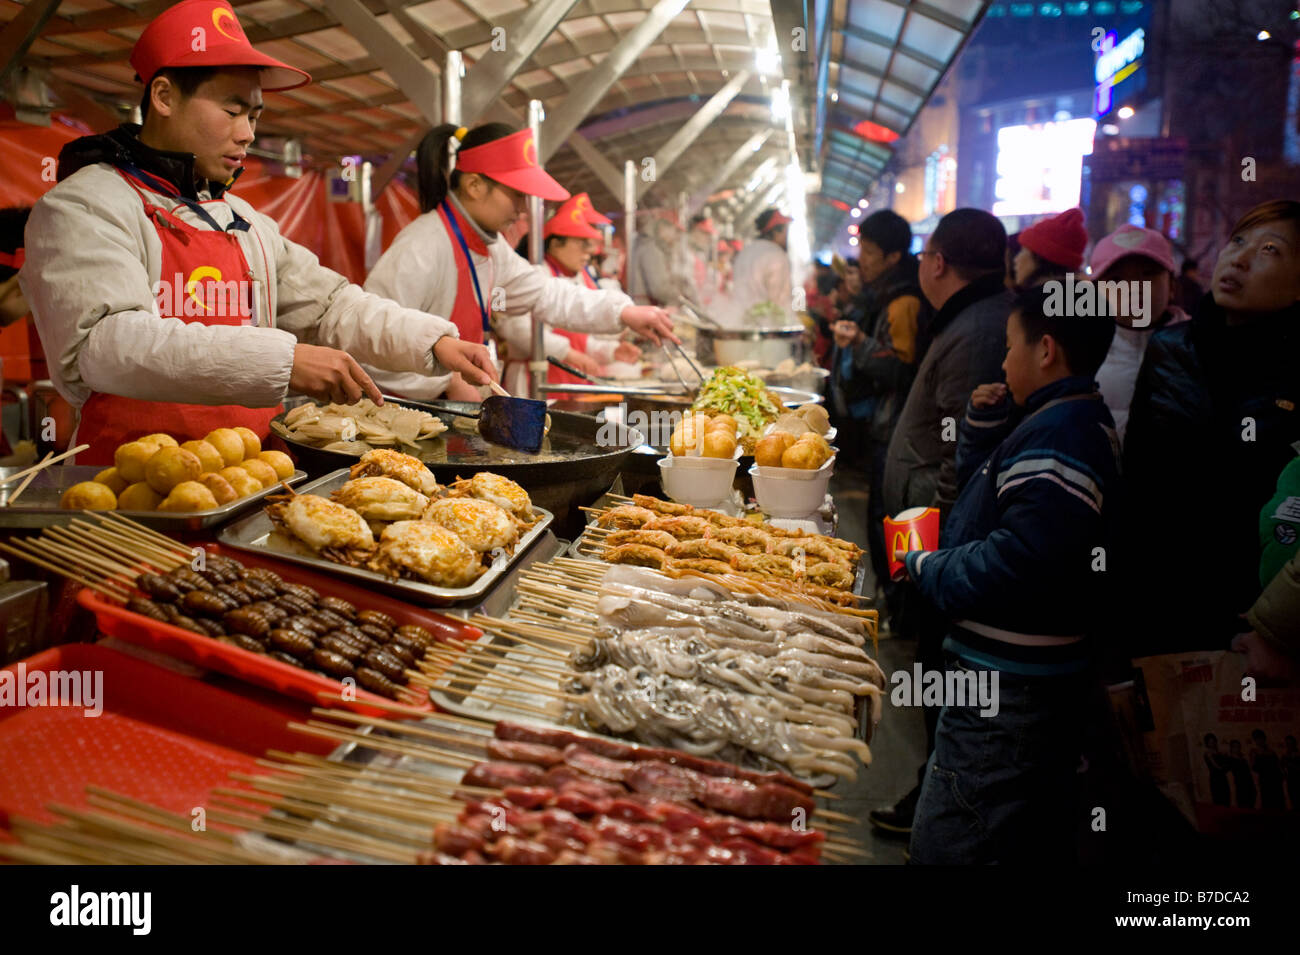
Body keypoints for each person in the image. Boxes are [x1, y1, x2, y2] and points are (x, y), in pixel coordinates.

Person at [20, 0, 498, 464]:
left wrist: (433, 342)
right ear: (163, 97)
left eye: (254, 115)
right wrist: (285, 362)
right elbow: (104, 345)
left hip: (255, 478)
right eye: (232, 111)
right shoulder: (85, 205)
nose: (248, 133)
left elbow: (331, 305)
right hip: (130, 487)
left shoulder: (243, 220)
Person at [899, 284, 1120, 863]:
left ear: (1046, 350)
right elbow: (995, 501)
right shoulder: (1060, 419)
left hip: (1006, 689)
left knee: (952, 839)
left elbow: (1020, 561)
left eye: (1009, 346)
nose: (1001, 361)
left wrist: (927, 566)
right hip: (1013, 676)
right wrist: (982, 427)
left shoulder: (1060, 436)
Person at [870, 208, 1014, 837]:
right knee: (930, 654)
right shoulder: (968, 316)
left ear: (936, 262)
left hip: (936, 523)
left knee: (936, 661)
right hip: (925, 515)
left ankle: (938, 804)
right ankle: (932, 794)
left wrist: (936, 550)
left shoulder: (977, 327)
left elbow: (961, 448)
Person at [363, 125, 675, 401]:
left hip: (452, 410)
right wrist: (443, 385)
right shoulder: (422, 246)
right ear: (474, 186)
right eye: (516, 195)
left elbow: (546, 294)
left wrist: (623, 311)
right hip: (405, 415)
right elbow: (370, 341)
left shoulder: (492, 247)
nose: (523, 209)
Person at [1122, 200, 1300, 656]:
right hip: (1159, 600)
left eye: (1270, 250)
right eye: (1238, 241)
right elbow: (1137, 477)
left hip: (1261, 619)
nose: (1238, 258)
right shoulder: (1170, 349)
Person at [828, 210, 924, 615]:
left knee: (891, 519)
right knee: (882, 517)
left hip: (899, 430)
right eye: (860, 249)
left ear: (892, 257)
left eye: (869, 251)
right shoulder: (882, 295)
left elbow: (902, 368)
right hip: (885, 427)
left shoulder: (902, 301)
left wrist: (861, 343)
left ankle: (900, 610)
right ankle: (894, 602)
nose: (860, 259)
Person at [497, 195, 640, 392]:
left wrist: (609, 351)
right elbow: (517, 329)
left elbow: (579, 337)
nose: (589, 252)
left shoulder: (575, 274)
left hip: (568, 377)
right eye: (582, 244)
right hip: (533, 379)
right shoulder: (537, 273)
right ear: (555, 244)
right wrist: (568, 353)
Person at [1088, 224, 1189, 444]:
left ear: (1171, 285)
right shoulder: (1080, 349)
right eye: (1115, 280)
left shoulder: (1199, 346)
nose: (1133, 287)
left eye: (1148, 274)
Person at [727, 208, 793, 327]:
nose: (787, 237)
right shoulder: (777, 255)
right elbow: (779, 300)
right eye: (786, 232)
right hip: (767, 329)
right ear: (775, 232)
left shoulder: (746, 252)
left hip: (739, 323)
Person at [1008, 208, 1087, 291]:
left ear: (1041, 259)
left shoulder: (1031, 302)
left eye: (1023, 251)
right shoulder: (1090, 298)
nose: (1016, 259)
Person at [628, 213, 682, 308]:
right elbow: (659, 289)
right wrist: (678, 296)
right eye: (675, 231)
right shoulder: (651, 248)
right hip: (644, 308)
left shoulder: (646, 244)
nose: (677, 237)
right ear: (662, 228)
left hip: (642, 306)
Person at [1251, 729, 1285, 810]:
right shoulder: (1254, 752)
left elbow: (1278, 765)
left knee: (1278, 802)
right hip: (1264, 780)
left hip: (1275, 780)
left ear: (1264, 739)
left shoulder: (1272, 752)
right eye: (1257, 739)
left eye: (1261, 738)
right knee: (1267, 803)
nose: (1259, 741)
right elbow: (1254, 767)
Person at [1226, 739, 1257, 809]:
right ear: (1231, 748)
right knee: (1243, 806)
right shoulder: (1230, 760)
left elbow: (1250, 770)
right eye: (1235, 747)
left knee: (1251, 805)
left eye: (1238, 746)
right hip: (1240, 786)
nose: (1237, 748)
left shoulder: (1243, 760)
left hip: (1250, 785)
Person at [1204, 733, 1232, 808]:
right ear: (1207, 744)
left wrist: (1226, 757)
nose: (1213, 744)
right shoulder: (1208, 754)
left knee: (1226, 798)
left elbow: (1226, 766)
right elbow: (1216, 767)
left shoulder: (1220, 753)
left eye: (1213, 742)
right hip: (1215, 779)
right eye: (1210, 742)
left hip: (1223, 778)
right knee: (1219, 800)